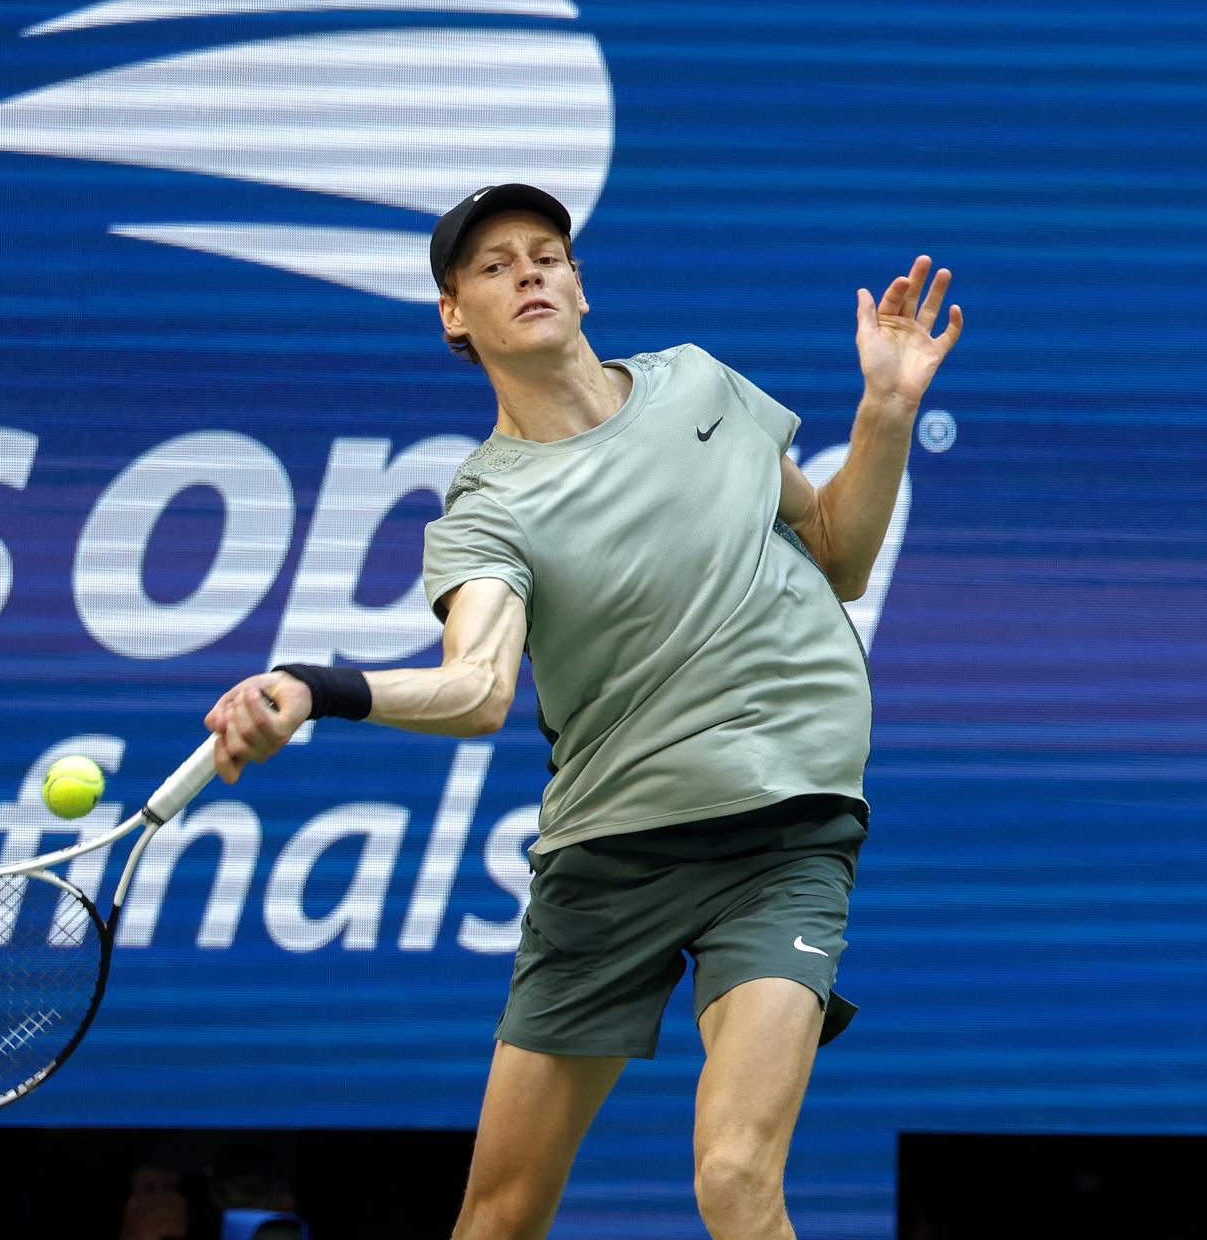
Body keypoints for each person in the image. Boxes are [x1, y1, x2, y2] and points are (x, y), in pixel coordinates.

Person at [203, 183, 963, 1239]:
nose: (529, 272)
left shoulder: (703, 384)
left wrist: (884, 410)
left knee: (737, 1175)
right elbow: (476, 688)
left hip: (785, 834)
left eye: (547, 253)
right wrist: (317, 688)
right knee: (501, 1212)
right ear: (453, 314)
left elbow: (837, 553)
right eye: (494, 264)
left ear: (580, 283)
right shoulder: (490, 505)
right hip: (610, 857)